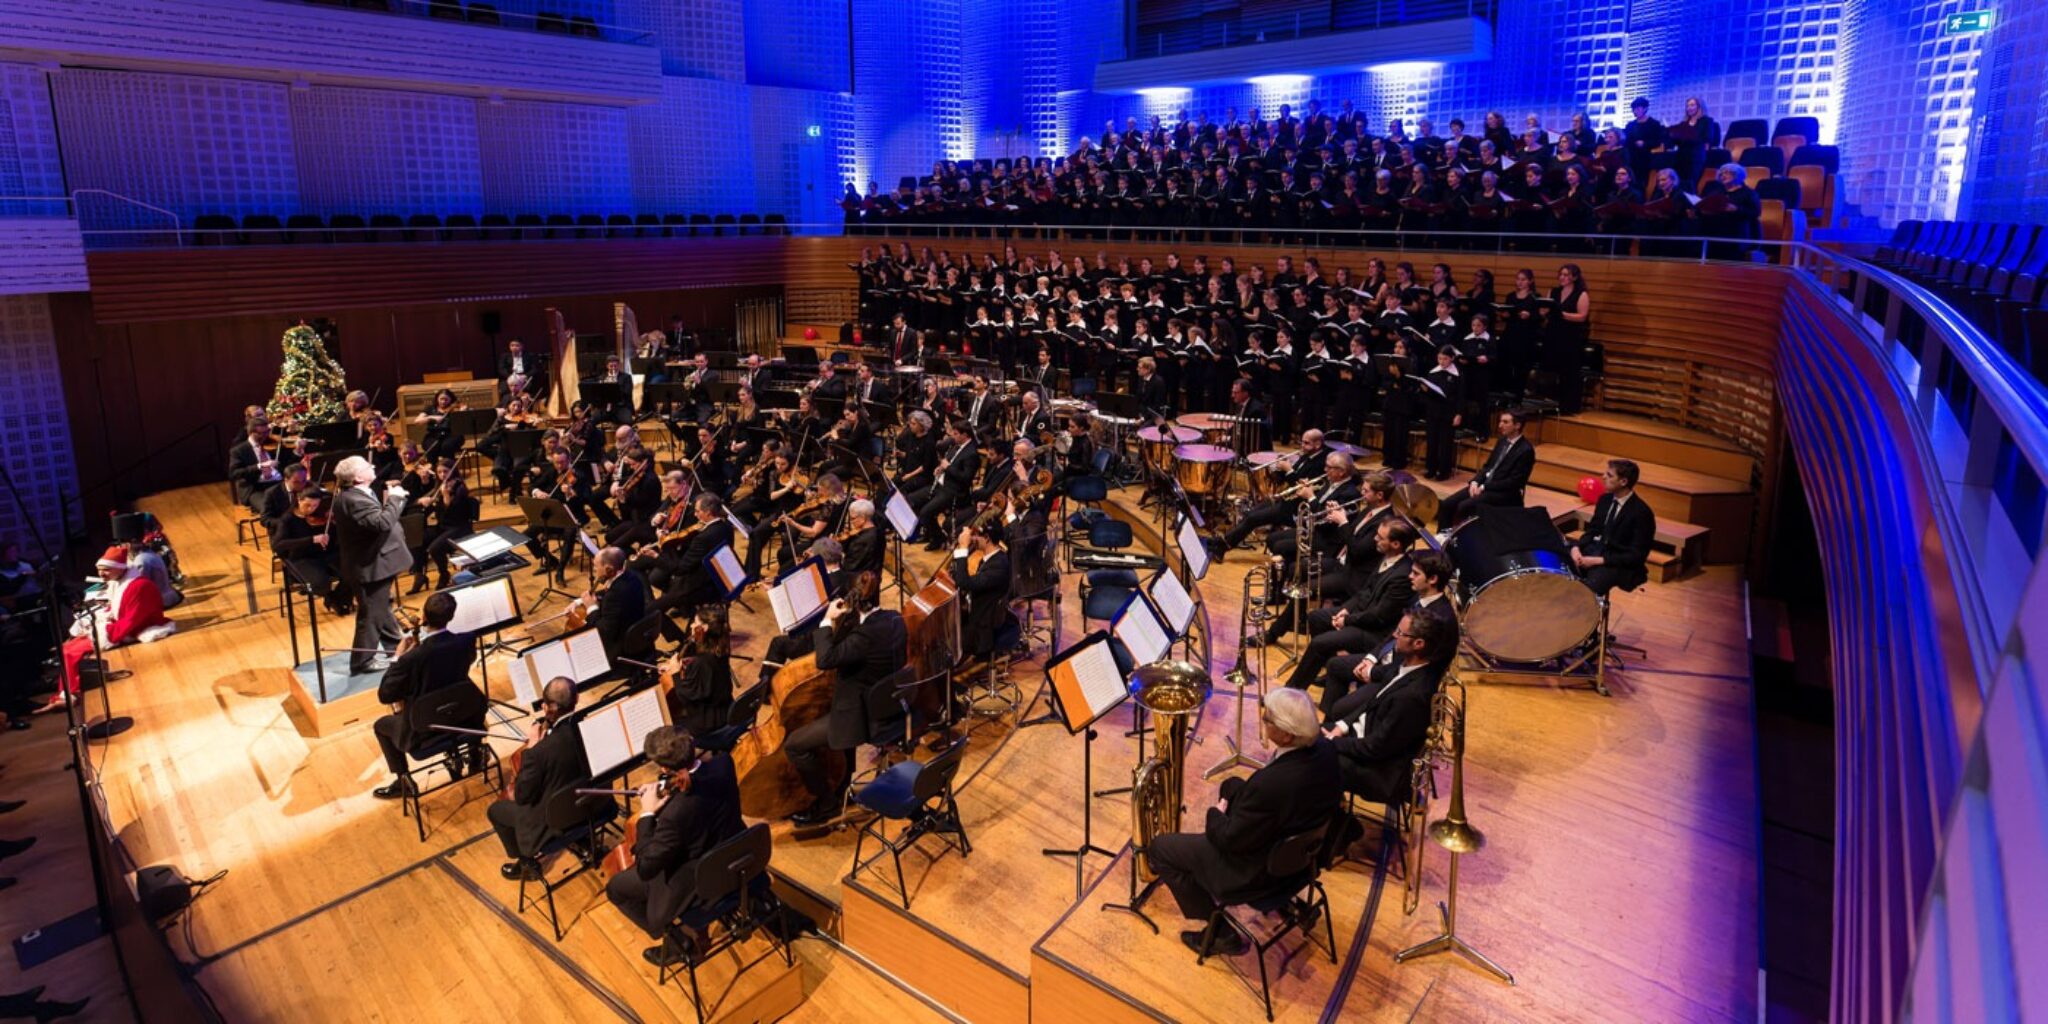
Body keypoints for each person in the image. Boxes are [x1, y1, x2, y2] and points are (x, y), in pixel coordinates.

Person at [1147, 688, 1341, 957]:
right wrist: (1235, 797)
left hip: (1255, 874)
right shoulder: (1326, 751)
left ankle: (1221, 934)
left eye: (1268, 718)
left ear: (1287, 735)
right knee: (1232, 784)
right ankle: (1288, 904)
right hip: (1304, 860)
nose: (1263, 719)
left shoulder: (1271, 786)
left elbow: (1228, 840)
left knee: (1161, 848)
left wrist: (1215, 813)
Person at [603, 725, 747, 965]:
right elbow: (698, 790)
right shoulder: (724, 764)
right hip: (734, 855)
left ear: (663, 767)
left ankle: (679, 943)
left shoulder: (674, 814)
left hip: (699, 878)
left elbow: (646, 866)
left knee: (616, 888)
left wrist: (648, 813)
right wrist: (664, 788)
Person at [787, 572, 906, 825]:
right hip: (886, 703)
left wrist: (827, 621)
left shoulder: (863, 637)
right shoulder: (895, 619)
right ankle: (842, 784)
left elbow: (825, 659)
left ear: (853, 601)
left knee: (794, 745)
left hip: (858, 715)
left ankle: (826, 803)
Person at [1322, 613, 1456, 805]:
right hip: (1362, 737)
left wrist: (1333, 742)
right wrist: (1342, 727)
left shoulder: (1412, 696)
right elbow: (1371, 702)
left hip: (1379, 771)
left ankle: (1331, 823)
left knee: (1308, 757)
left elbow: (1375, 748)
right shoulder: (1404, 665)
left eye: (1401, 633)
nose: (1394, 635)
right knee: (1304, 735)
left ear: (1418, 643)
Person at [488, 677, 607, 881]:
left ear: (545, 707)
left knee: (495, 810)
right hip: (595, 808)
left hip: (555, 822)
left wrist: (531, 748)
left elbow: (523, 796)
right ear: (577, 699)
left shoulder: (538, 753)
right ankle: (585, 839)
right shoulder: (593, 731)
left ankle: (527, 862)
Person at [370, 593, 484, 798]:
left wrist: (398, 657)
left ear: (423, 616)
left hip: (424, 731)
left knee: (380, 726)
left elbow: (386, 695)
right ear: (451, 617)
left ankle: (403, 782)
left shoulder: (411, 658)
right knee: (464, 696)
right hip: (464, 717)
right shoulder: (466, 640)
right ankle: (475, 755)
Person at [49, 546, 174, 712]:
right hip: (120, 627)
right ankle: (67, 693)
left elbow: (132, 620)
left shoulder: (139, 586)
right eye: (99, 570)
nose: (101, 574)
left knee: (70, 652)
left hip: (134, 629)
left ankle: (70, 694)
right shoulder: (118, 582)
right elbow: (116, 611)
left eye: (106, 570)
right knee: (67, 647)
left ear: (119, 568)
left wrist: (103, 632)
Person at [330, 455, 414, 676]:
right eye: (368, 466)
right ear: (358, 477)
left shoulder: (358, 493)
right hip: (370, 565)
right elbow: (382, 523)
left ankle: (395, 645)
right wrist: (395, 499)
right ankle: (362, 661)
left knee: (379, 607)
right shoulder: (353, 500)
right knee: (371, 613)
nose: (374, 466)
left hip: (375, 561)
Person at [1437, 410, 1535, 531]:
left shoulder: (1526, 450)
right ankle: (1442, 540)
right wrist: (1475, 482)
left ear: (1517, 425)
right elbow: (1488, 466)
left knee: (1464, 506)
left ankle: (1460, 543)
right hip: (1484, 486)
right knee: (1447, 504)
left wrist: (1485, 487)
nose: (1500, 425)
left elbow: (1514, 482)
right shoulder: (1502, 441)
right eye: (1500, 421)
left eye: (1505, 422)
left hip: (1503, 493)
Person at [1570, 459, 1656, 596]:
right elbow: (1592, 531)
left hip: (1617, 563)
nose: (1603, 477)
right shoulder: (1604, 500)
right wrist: (1577, 548)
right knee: (1561, 572)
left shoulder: (1641, 513)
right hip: (1595, 551)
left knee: (1585, 591)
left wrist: (1598, 561)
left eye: (1609, 475)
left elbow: (1636, 556)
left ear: (1623, 482)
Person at [662, 608, 734, 736]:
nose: (691, 625)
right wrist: (685, 663)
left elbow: (686, 696)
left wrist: (676, 673)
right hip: (727, 708)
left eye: (695, 623)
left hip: (708, 722)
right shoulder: (720, 646)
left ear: (704, 628)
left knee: (665, 723)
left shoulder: (701, 663)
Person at [582, 546, 649, 662]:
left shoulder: (614, 595)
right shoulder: (631, 576)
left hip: (619, 649)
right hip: (637, 635)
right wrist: (581, 601)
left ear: (608, 569)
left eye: (596, 566)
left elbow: (603, 632)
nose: (594, 569)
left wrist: (591, 608)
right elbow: (613, 595)